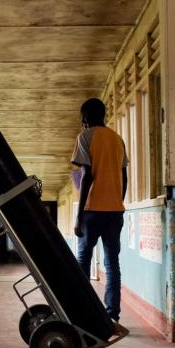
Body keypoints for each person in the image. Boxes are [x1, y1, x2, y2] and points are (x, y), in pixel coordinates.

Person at [71, 98, 128, 322]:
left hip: (92, 211)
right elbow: (124, 176)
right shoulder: (117, 139)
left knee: (83, 260)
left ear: (84, 118)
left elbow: (86, 176)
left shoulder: (85, 137)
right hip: (115, 211)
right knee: (112, 262)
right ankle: (112, 313)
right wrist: (117, 202)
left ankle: (83, 310)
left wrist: (78, 216)